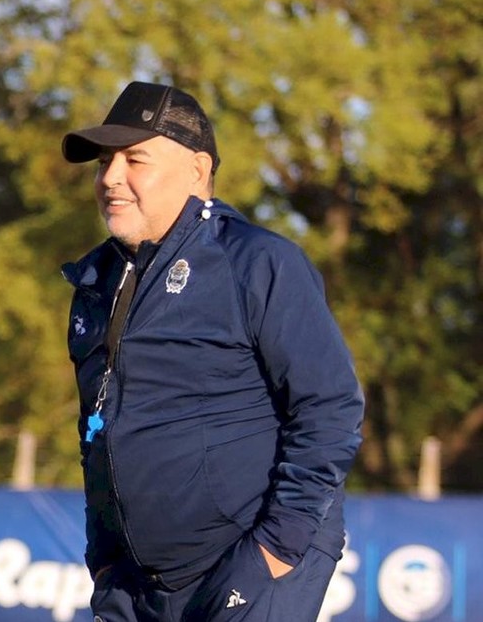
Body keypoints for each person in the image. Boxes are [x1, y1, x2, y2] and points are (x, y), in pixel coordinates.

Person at [59, 81, 364, 621]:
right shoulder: (96, 282)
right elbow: (97, 429)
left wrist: (276, 549)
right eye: (104, 163)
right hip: (133, 581)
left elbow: (330, 409)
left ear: (197, 170)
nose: (110, 178)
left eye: (134, 159)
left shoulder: (257, 263)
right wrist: (104, 559)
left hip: (248, 563)